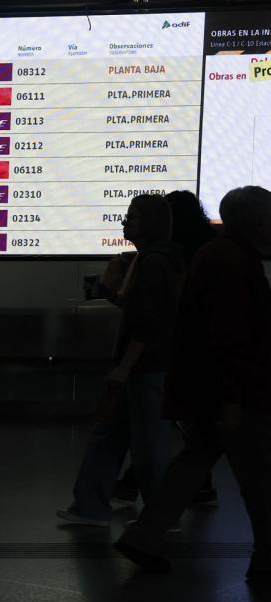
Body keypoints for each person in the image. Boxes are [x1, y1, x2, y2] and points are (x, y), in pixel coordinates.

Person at [115, 185, 271, 580]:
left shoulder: (218, 256)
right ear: (255, 222)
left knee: (191, 464)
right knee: (259, 479)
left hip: (207, 388)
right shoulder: (235, 262)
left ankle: (143, 536)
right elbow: (230, 336)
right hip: (230, 393)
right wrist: (233, 398)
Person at [57, 194, 185, 527]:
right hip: (144, 366)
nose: (125, 222)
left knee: (146, 446)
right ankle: (89, 504)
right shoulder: (155, 260)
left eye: (132, 217)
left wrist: (124, 367)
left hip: (145, 367)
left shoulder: (152, 263)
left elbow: (146, 321)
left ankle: (160, 515)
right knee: (112, 436)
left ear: (150, 223)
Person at [111, 189, 219, 507]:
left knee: (158, 428)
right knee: (187, 421)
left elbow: (150, 316)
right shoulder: (206, 245)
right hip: (200, 342)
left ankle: (159, 497)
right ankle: (192, 485)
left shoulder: (162, 258)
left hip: (176, 346)